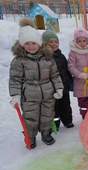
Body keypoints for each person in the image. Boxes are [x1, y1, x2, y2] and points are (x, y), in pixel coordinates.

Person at [9, 18, 64, 148]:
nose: (31, 46)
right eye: (27, 43)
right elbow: (15, 79)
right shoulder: (19, 60)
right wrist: (15, 95)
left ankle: (46, 134)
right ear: (22, 44)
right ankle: (31, 136)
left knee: (47, 115)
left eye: (33, 43)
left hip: (47, 94)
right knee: (30, 118)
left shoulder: (47, 58)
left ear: (39, 44)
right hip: (29, 96)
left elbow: (55, 75)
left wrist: (59, 88)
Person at [42, 30, 74, 130]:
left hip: (63, 87)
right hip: (52, 89)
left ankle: (67, 121)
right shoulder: (44, 58)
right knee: (54, 108)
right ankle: (55, 125)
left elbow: (66, 70)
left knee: (66, 106)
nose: (54, 44)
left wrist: (70, 82)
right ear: (45, 44)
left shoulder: (61, 56)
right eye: (50, 42)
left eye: (56, 42)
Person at [68, 28, 88, 119]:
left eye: (84, 40)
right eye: (79, 41)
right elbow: (71, 66)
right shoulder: (73, 53)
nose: (82, 43)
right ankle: (85, 117)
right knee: (83, 102)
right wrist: (79, 74)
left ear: (87, 41)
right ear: (76, 42)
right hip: (80, 83)